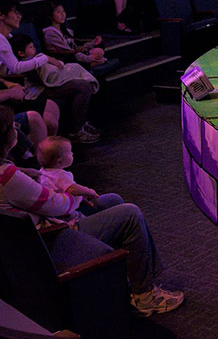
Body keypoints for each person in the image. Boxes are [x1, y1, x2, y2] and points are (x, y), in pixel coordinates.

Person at [0, 106, 183, 316]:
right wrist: (78, 194)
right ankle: (145, 295)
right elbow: (59, 204)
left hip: (43, 229)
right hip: (52, 238)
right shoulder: (8, 178)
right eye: (13, 125)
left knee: (112, 200)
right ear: (5, 138)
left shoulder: (8, 171)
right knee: (130, 214)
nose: (17, 127)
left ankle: (137, 278)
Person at [8, 33, 100, 144]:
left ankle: (81, 123)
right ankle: (75, 131)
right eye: (31, 47)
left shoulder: (37, 58)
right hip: (38, 90)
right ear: (21, 53)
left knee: (81, 78)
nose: (34, 49)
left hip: (47, 85)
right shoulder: (22, 64)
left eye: (33, 46)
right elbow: (38, 77)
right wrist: (46, 63)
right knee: (82, 86)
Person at [0, 1, 63, 139]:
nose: (19, 17)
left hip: (12, 84)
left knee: (52, 108)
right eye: (15, 13)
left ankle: (50, 149)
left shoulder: (8, 38)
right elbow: (16, 67)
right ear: (2, 16)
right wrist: (45, 58)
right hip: (10, 92)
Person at [37, 135, 123, 216]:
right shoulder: (59, 176)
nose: (72, 153)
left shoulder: (42, 172)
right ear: (59, 161)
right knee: (114, 199)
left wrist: (81, 198)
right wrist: (89, 192)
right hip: (71, 211)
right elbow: (72, 189)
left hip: (64, 208)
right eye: (70, 152)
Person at [42, 1, 107, 68]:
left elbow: (75, 47)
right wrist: (89, 58)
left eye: (63, 11)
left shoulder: (65, 30)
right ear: (50, 15)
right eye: (58, 12)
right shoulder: (50, 33)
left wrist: (93, 43)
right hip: (67, 60)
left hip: (76, 56)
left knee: (99, 51)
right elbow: (68, 52)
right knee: (100, 58)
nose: (63, 14)